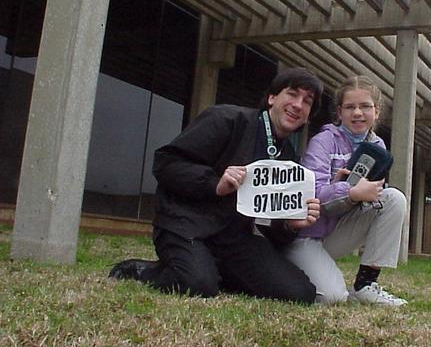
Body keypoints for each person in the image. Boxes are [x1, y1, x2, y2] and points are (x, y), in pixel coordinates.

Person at [108, 67, 323, 304]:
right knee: (197, 284)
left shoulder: (289, 161)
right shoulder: (226, 119)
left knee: (300, 293)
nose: (298, 105)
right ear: (272, 97)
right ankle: (143, 270)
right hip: (186, 224)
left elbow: (270, 227)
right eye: (292, 94)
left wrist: (290, 224)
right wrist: (214, 183)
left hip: (234, 237)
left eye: (307, 101)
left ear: (309, 114)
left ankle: (211, 269)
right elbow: (166, 163)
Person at [284, 75, 407, 306]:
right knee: (333, 297)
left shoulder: (377, 146)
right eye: (350, 107)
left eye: (365, 107)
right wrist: (347, 190)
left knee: (393, 199)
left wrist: (369, 192)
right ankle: (291, 267)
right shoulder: (323, 141)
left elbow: (372, 194)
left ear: (377, 112)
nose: (357, 113)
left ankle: (365, 285)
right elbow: (310, 196)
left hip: (338, 231)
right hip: (308, 235)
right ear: (339, 112)